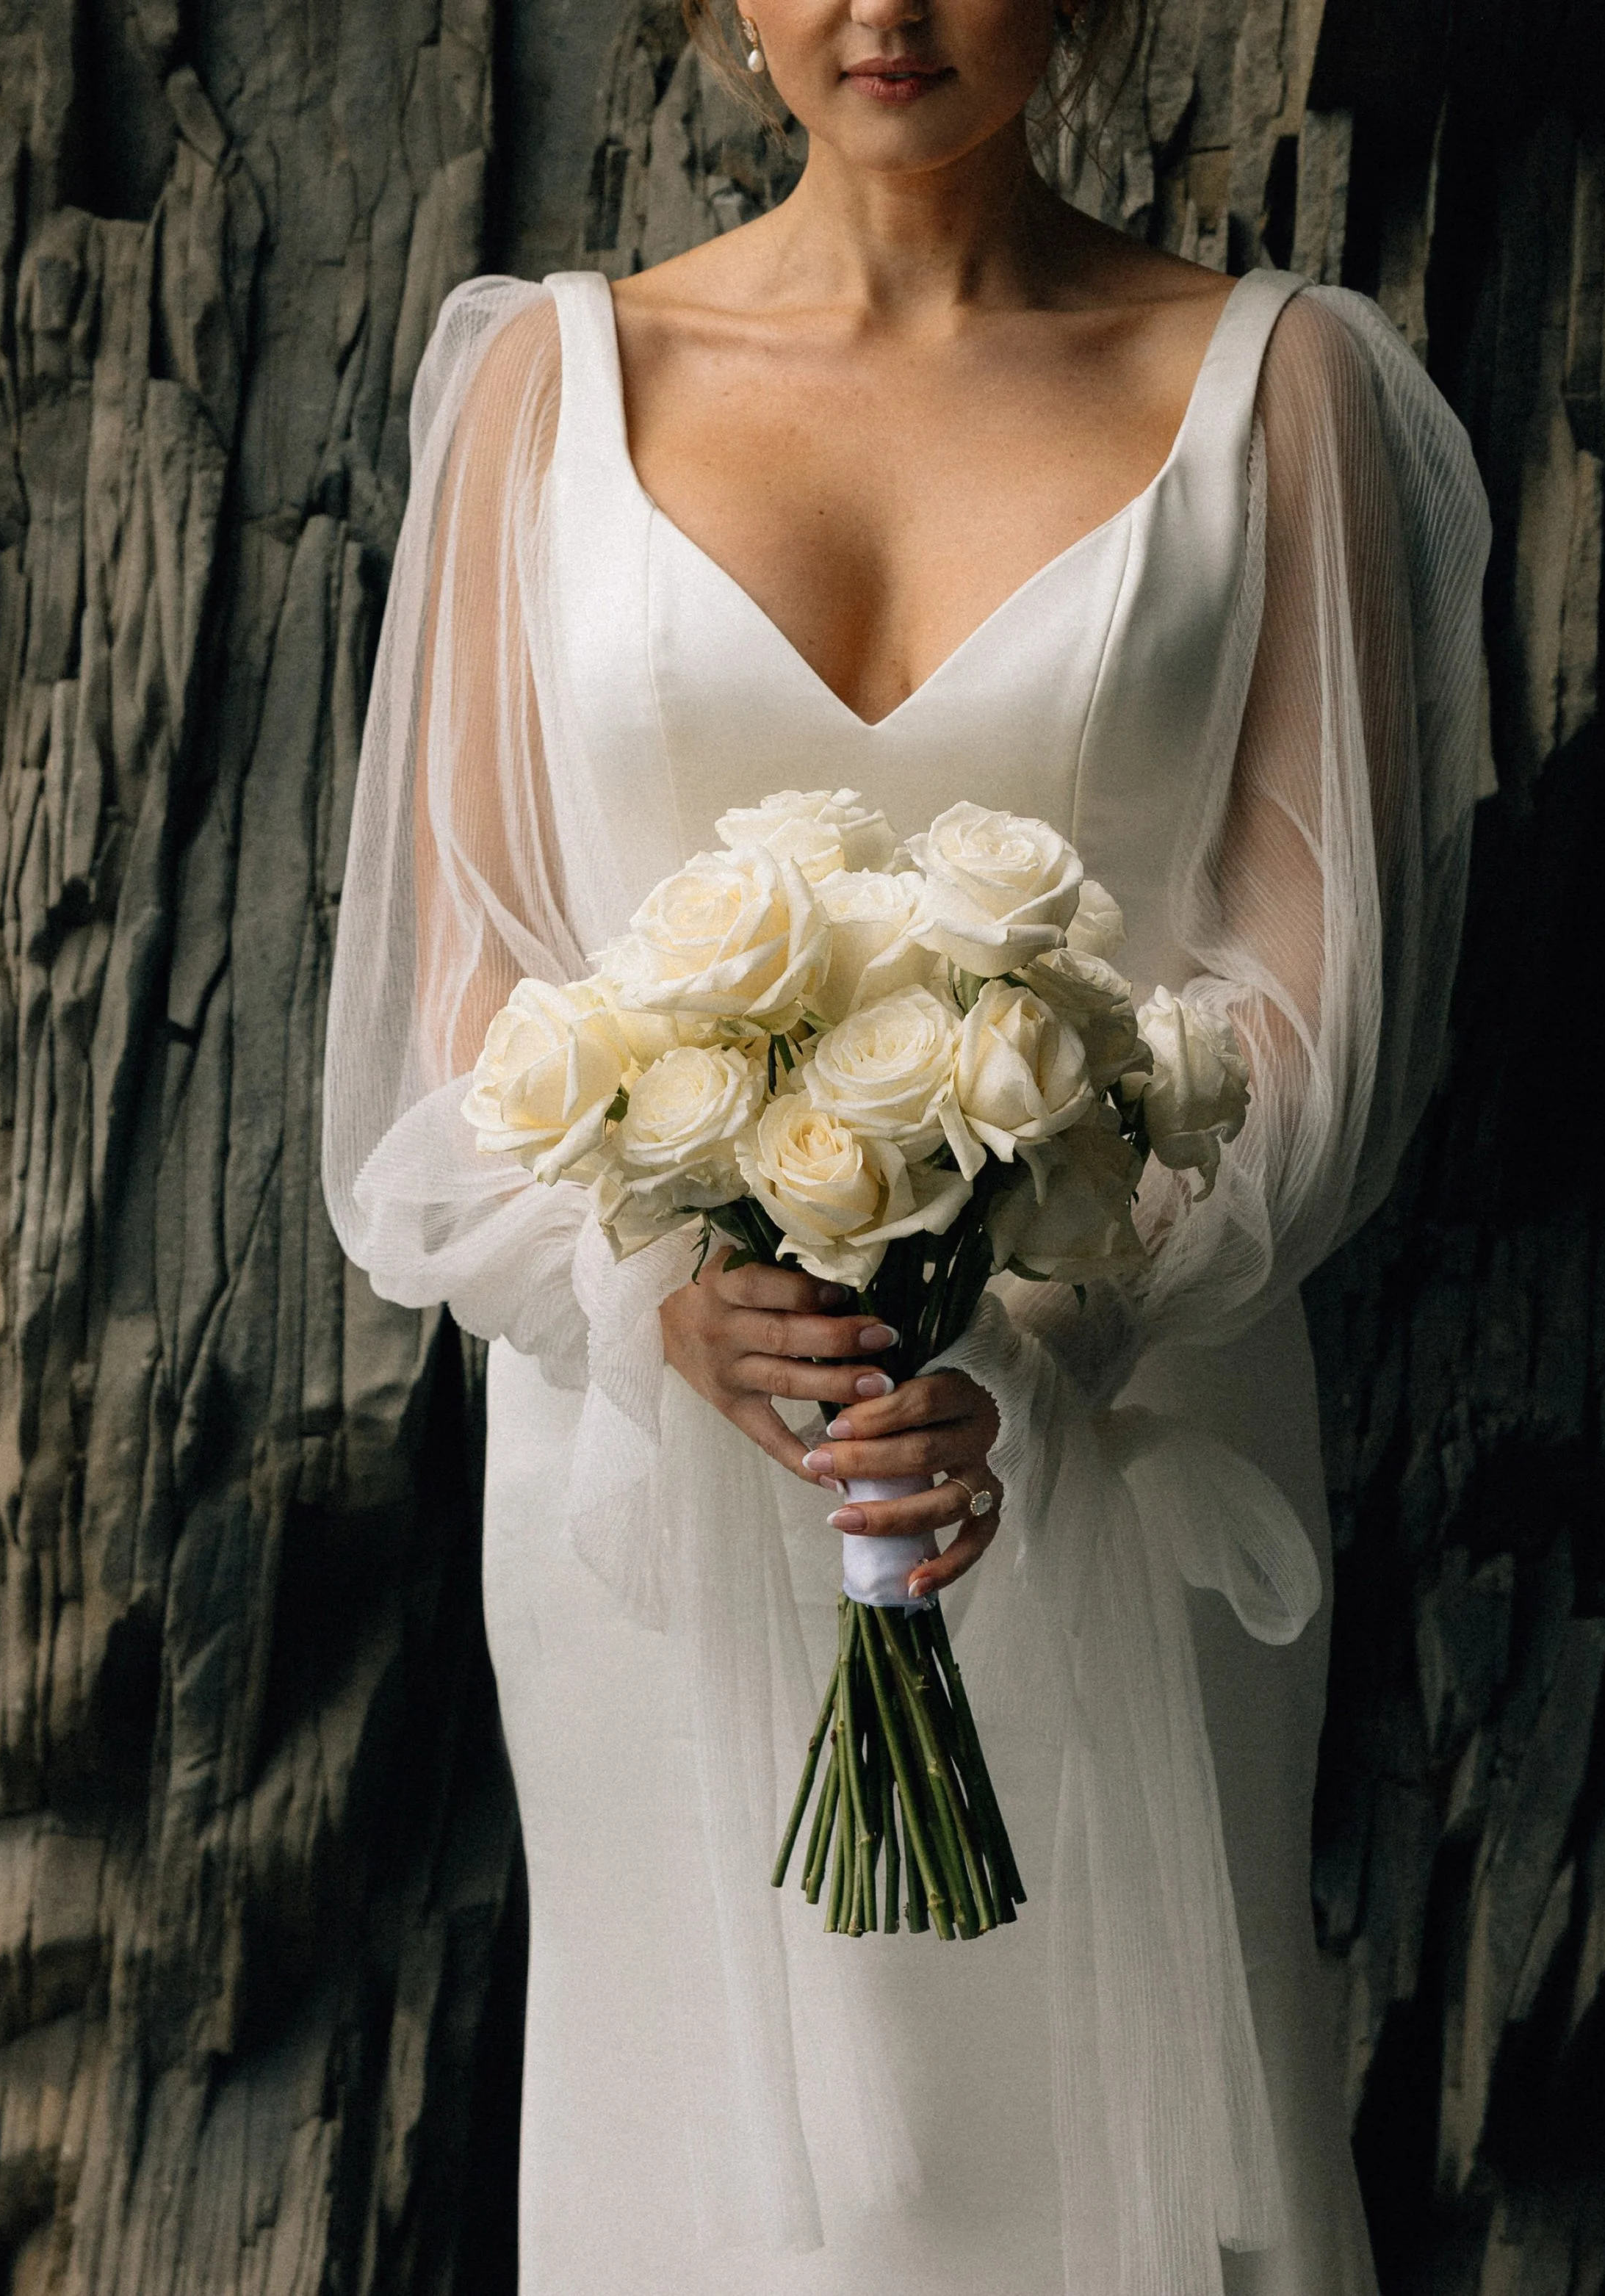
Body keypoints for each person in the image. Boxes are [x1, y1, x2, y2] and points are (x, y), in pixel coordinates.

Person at [321, 0, 1490, 2286]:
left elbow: (1308, 981)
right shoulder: (550, 390)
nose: (885, 10)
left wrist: (1048, 1309)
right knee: (748, 2177)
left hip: (1109, 1399)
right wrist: (663, 1293)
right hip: (662, 1438)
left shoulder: (1280, 388)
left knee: (1097, 2135)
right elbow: (461, 966)